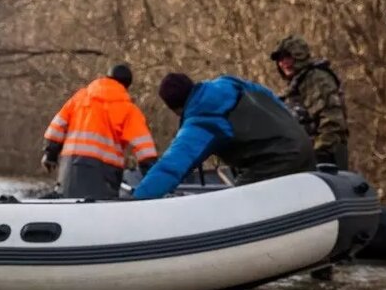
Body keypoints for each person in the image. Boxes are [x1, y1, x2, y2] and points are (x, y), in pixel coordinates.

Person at [132, 73, 317, 200]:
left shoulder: (202, 119)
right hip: (303, 144)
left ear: (175, 109)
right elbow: (270, 97)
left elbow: (171, 166)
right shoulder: (229, 83)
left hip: (278, 161)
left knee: (239, 203)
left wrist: (138, 201)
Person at [42, 64, 158, 199]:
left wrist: (50, 154)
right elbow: (145, 148)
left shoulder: (79, 98)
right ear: (127, 85)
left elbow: (57, 126)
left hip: (70, 168)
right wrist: (153, 178)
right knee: (99, 209)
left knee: (68, 204)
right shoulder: (128, 109)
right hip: (104, 173)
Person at [270, 35, 349, 169]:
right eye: (280, 59)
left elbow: (332, 120)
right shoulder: (297, 85)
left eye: (287, 57)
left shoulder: (316, 78)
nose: (283, 63)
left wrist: (321, 152)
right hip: (307, 158)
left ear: (299, 56)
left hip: (324, 159)